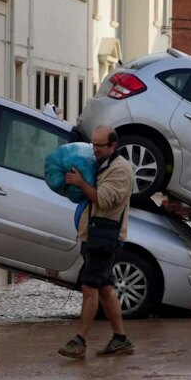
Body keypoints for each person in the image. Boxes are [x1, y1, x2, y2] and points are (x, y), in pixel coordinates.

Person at [58, 125, 135, 359]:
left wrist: (81, 183)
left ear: (113, 146)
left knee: (89, 286)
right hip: (94, 236)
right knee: (104, 288)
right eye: (93, 144)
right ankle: (120, 339)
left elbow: (103, 199)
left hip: (106, 239)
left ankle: (79, 341)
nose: (95, 150)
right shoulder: (102, 164)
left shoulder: (121, 170)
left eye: (99, 146)